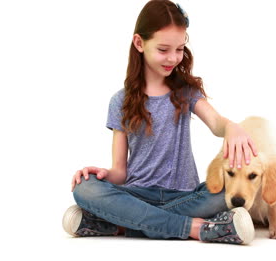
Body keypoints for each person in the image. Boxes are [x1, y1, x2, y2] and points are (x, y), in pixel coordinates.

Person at [62, 0, 258, 245]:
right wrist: (103, 174)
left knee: (224, 192)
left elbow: (216, 122)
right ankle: (196, 227)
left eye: (179, 49)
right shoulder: (119, 101)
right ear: (139, 43)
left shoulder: (186, 92)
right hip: (137, 195)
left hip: (187, 195)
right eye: (163, 49)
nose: (174, 58)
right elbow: (120, 172)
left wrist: (232, 127)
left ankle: (120, 224)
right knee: (85, 189)